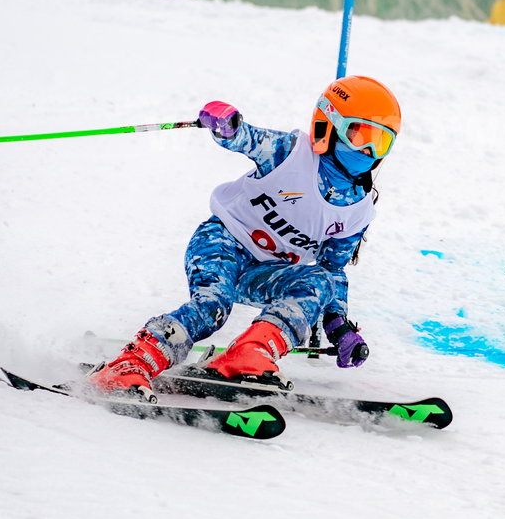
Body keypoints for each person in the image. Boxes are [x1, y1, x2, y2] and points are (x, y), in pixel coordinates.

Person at [86, 75, 402, 399]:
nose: (367, 149)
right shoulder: (291, 154)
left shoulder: (358, 212)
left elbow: (333, 270)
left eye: (380, 142)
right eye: (359, 134)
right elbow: (244, 137)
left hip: (262, 272)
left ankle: (249, 354)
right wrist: (226, 122)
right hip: (222, 242)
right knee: (213, 307)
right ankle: (129, 364)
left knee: (318, 281)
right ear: (329, 125)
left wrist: (337, 324)